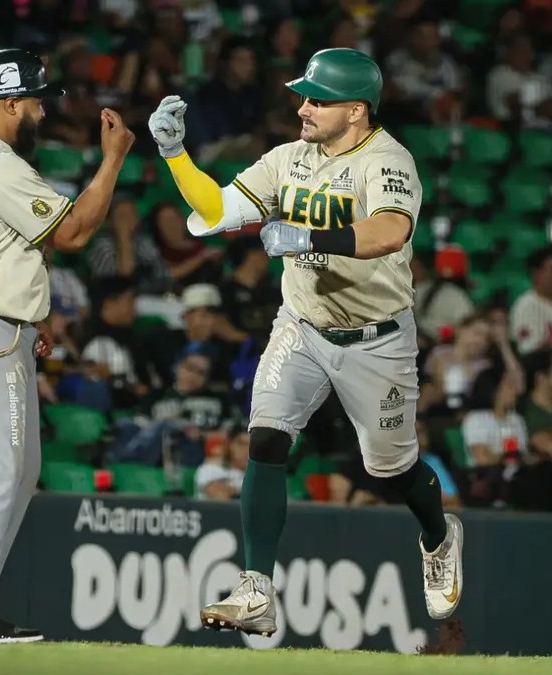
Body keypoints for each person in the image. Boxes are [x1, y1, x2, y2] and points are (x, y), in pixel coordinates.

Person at [148, 48, 463, 638]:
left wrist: (309, 236)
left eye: (319, 99)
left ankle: (439, 536)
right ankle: (256, 591)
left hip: (377, 340)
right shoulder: (289, 158)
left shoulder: (387, 159)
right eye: (304, 97)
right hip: (302, 324)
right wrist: (176, 156)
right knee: (266, 437)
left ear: (357, 110)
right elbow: (219, 208)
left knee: (392, 469)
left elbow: (390, 230)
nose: (304, 108)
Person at [0, 48, 134, 644]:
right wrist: (113, 159)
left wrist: (31, 313)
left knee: (19, 469)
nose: (41, 112)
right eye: (36, 102)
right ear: (10, 102)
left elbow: (4, 242)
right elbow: (74, 232)